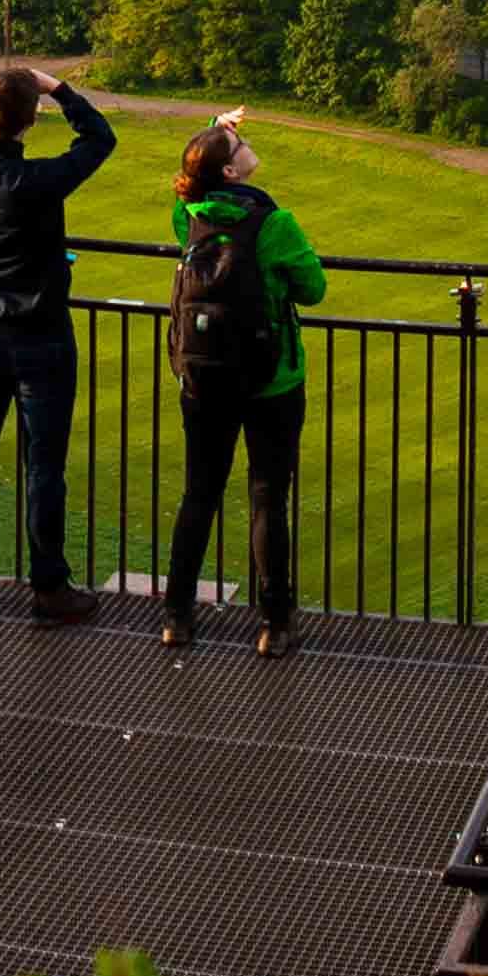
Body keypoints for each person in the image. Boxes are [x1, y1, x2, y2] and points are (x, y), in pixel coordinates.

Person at [0, 60, 125, 626]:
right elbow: (100, 137)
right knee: (44, 467)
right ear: (29, 120)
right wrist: (60, 87)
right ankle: (48, 586)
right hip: (41, 341)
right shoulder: (38, 183)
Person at [157, 123, 327, 656]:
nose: (247, 147)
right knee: (267, 501)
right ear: (231, 170)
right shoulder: (274, 224)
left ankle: (177, 615)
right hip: (272, 382)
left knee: (199, 494)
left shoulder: (190, 218)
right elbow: (314, 289)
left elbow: (190, 181)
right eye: (237, 146)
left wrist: (213, 130)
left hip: (203, 380)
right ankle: (275, 624)